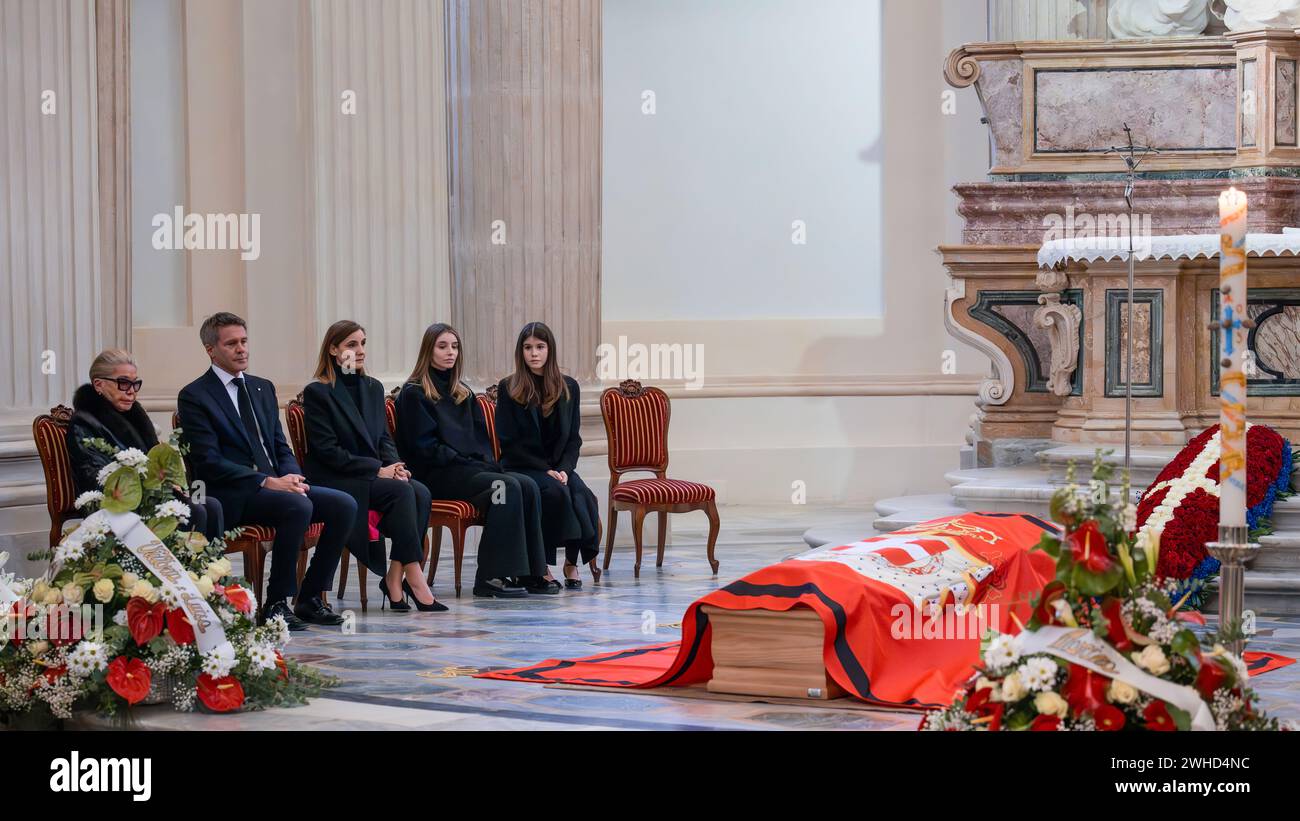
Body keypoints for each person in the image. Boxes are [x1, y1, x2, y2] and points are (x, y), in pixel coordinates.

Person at [177, 312, 356, 630]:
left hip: (276, 484)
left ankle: (310, 597)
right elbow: (208, 461)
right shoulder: (195, 395)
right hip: (231, 492)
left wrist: (292, 477)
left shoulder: (262, 388)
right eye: (231, 343)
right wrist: (266, 481)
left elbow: (279, 444)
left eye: (244, 341)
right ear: (211, 349)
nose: (241, 349)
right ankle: (276, 603)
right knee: (297, 505)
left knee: (344, 504)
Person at [394, 322, 548, 597]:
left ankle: (531, 572)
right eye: (442, 347)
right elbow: (424, 448)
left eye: (454, 347)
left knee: (526, 484)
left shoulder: (462, 392)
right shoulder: (414, 393)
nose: (450, 352)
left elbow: (482, 441)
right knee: (506, 488)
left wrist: (487, 464)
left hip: (468, 471)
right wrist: (470, 464)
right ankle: (489, 576)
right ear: (428, 351)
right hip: (437, 474)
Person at [301, 320, 444, 612]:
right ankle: (413, 577)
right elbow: (327, 451)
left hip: (372, 475)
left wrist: (396, 465)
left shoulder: (372, 387)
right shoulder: (319, 392)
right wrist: (376, 470)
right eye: (351, 344)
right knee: (402, 494)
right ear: (333, 350)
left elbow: (382, 437)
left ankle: (394, 577)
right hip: (337, 478)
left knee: (419, 491)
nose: (360, 350)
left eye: (363, 343)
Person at [67, 349, 223, 540]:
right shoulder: (84, 422)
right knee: (194, 510)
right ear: (99, 384)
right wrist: (153, 486)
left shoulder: (135, 417)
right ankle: (185, 568)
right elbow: (94, 477)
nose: (131, 391)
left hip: (150, 495)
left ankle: (209, 568)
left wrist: (171, 481)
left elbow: (157, 462)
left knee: (212, 505)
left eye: (135, 384)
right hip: (115, 504)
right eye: (123, 383)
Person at [494, 322, 601, 589]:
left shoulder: (569, 387)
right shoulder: (509, 388)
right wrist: (544, 469)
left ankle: (572, 562)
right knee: (555, 492)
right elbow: (509, 441)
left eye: (540, 347)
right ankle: (540, 567)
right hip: (523, 465)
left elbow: (574, 439)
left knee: (582, 495)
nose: (534, 353)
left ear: (549, 350)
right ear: (521, 352)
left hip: (558, 466)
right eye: (528, 348)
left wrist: (565, 468)